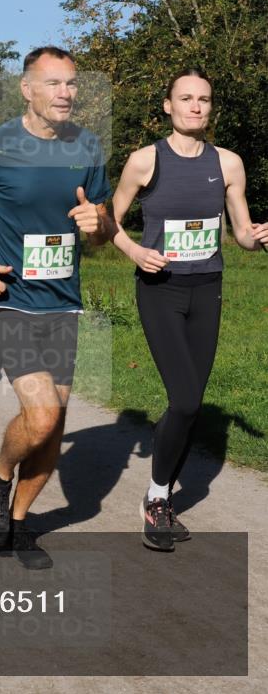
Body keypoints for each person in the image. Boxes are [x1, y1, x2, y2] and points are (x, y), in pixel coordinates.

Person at [0, 46, 110, 568]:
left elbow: (99, 227)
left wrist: (98, 228)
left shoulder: (87, 146)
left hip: (64, 301)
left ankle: (18, 524)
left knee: (52, 429)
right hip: (9, 297)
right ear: (27, 89)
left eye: (72, 83)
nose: (65, 93)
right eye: (53, 83)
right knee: (42, 416)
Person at [111, 69, 268, 552]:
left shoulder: (229, 163)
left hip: (208, 288)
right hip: (160, 289)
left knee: (192, 404)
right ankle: (158, 497)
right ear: (168, 106)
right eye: (186, 98)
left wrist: (255, 237)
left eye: (204, 99)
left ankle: (161, 489)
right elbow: (107, 221)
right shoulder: (144, 161)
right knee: (184, 401)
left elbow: (239, 232)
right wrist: (136, 252)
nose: (196, 107)